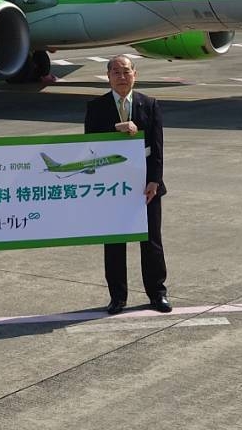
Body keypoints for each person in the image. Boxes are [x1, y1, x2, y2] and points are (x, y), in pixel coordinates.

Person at [84, 54, 169, 314]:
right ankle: (117, 297)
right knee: (114, 242)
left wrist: (154, 179)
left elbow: (157, 147)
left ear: (135, 74)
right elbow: (89, 145)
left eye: (126, 72)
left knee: (151, 241)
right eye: (116, 73)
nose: (122, 77)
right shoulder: (96, 107)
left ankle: (158, 293)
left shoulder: (149, 104)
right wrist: (115, 129)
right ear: (108, 77)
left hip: (145, 184)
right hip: (112, 185)